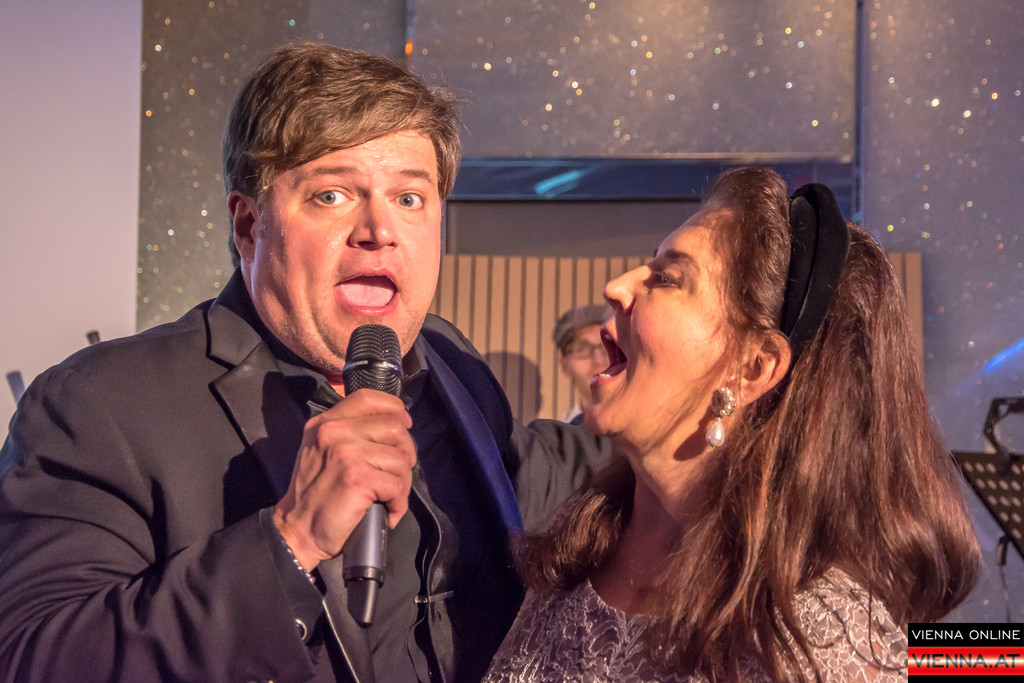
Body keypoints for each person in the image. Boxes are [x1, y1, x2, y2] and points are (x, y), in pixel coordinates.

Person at [0, 43, 609, 683]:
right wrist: (291, 541)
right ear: (248, 226)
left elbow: (554, 473)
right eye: (331, 195)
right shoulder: (99, 404)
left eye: (410, 198)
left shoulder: (451, 363)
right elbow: (31, 658)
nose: (379, 230)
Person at [484, 167, 981, 682]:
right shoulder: (578, 546)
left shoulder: (820, 642)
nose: (616, 287)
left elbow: (984, 663)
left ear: (754, 367)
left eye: (667, 278)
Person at [552, 304, 611, 424]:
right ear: (565, 365)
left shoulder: (649, 428)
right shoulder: (555, 434)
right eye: (582, 350)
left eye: (608, 347)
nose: (598, 360)